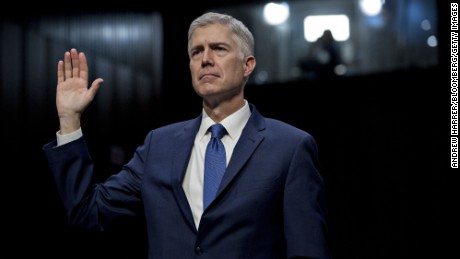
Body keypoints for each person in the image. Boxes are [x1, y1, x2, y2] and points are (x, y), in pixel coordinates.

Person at [43, 12, 331, 259]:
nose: (205, 59)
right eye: (196, 52)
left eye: (219, 49)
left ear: (247, 65)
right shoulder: (159, 144)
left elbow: (307, 250)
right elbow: (87, 212)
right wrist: (69, 119)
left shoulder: (291, 147)